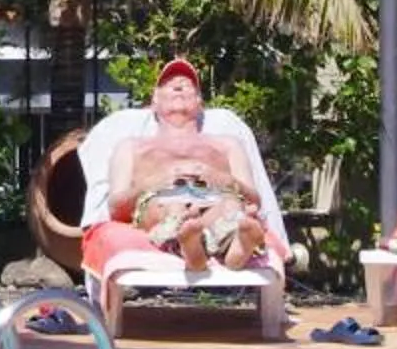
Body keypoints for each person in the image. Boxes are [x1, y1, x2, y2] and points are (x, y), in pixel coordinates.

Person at [88, 58, 278, 274]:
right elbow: (115, 208)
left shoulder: (227, 144)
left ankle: (237, 247)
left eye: (188, 85)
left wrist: (223, 179)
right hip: (161, 203)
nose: (179, 85)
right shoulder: (131, 147)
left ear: (199, 103)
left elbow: (255, 199)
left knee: (231, 207)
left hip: (217, 201)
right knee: (172, 207)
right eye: (169, 84)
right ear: (154, 102)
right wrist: (154, 183)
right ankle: (190, 245)